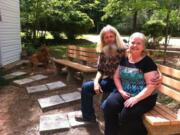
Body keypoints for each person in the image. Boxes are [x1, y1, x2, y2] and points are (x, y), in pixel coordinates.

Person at [103, 32, 159, 135]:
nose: (135, 45)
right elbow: (116, 77)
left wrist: (136, 98)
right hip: (126, 92)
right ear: (128, 44)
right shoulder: (124, 59)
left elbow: (151, 86)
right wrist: (121, 91)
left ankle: (141, 132)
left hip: (145, 97)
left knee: (126, 115)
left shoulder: (147, 62)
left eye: (139, 43)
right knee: (108, 105)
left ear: (143, 46)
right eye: (133, 42)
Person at [75, 25, 126, 122]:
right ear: (103, 39)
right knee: (86, 87)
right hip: (108, 81)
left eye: (111, 36)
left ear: (116, 37)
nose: (109, 39)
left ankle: (116, 122)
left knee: (106, 103)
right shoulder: (103, 51)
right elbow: (100, 70)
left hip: (121, 84)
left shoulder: (124, 51)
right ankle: (88, 116)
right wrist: (96, 82)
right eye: (106, 37)